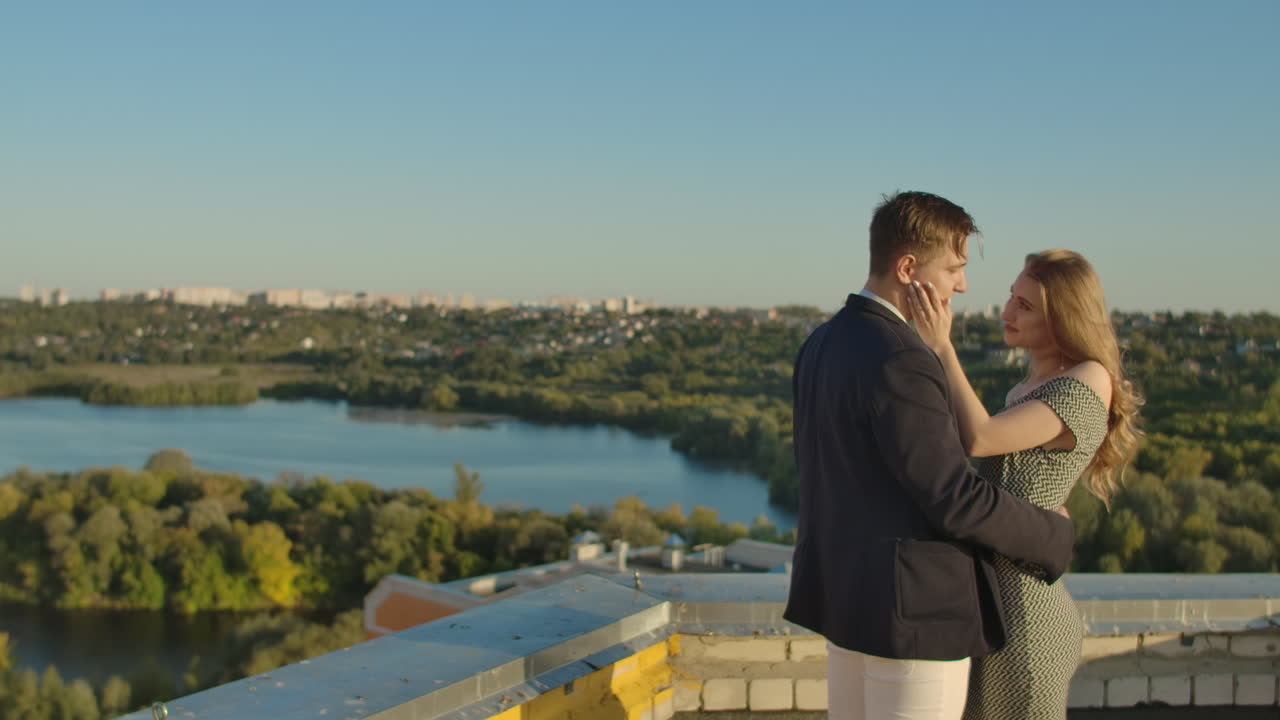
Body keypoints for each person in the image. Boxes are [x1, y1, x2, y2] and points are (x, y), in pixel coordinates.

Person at [784, 191, 1076, 720]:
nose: (962, 285)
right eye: (954, 268)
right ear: (909, 267)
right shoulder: (902, 357)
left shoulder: (822, 342)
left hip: (846, 601)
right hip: (915, 616)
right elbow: (953, 498)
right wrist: (1052, 534)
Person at [907, 249, 1142, 719]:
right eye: (1012, 298)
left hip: (1028, 615)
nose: (1008, 312)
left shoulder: (1086, 379)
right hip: (998, 600)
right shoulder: (1035, 379)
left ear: (1065, 317)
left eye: (1026, 306)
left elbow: (981, 438)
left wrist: (942, 347)